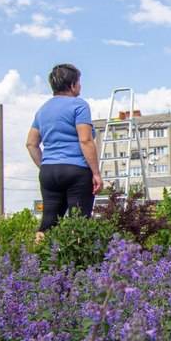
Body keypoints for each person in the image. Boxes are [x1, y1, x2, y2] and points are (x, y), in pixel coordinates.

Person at [26, 64, 102, 238]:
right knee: (79, 222)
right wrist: (96, 173)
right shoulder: (79, 106)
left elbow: (31, 144)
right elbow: (85, 140)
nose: (80, 86)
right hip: (76, 171)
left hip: (49, 171)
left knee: (48, 221)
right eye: (79, 82)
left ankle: (37, 260)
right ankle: (77, 262)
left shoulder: (42, 110)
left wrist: (45, 165)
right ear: (72, 84)